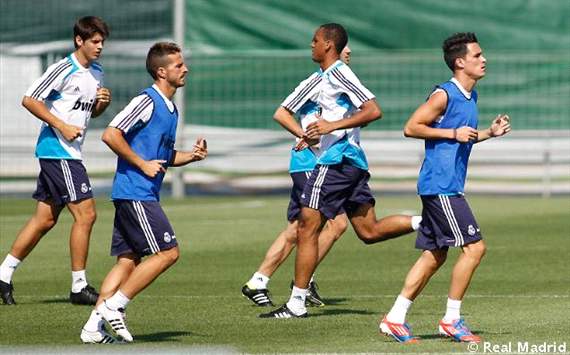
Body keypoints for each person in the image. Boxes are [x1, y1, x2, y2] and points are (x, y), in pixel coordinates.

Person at [260, 24, 421, 319]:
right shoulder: (324, 77)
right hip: (351, 164)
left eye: (316, 40)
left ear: (329, 46)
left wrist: (330, 127)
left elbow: (373, 110)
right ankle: (426, 222)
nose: (311, 45)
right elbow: (288, 113)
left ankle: (296, 303)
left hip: (336, 162)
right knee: (368, 230)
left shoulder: (339, 73)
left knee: (308, 226)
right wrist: (309, 134)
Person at [379, 32, 511, 343]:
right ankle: (452, 319)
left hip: (443, 186)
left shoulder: (471, 97)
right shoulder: (445, 94)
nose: (484, 59)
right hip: (441, 187)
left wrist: (489, 133)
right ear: (460, 62)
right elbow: (411, 127)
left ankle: (395, 318)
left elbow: (465, 135)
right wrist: (452, 133)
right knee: (475, 248)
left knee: (434, 255)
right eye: (477, 56)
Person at [80, 42, 207, 343]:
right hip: (135, 192)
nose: (185, 68)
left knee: (127, 261)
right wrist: (140, 163)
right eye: (178, 65)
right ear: (161, 71)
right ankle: (115, 306)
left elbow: (162, 155)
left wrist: (191, 156)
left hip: (138, 192)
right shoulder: (146, 101)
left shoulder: (170, 108)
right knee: (168, 253)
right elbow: (111, 133)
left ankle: (91, 329)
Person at [0, 16, 111, 306]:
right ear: (79, 40)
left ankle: (3, 274)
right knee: (86, 215)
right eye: (95, 41)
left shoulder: (97, 72)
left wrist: (100, 105)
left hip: (69, 153)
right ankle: (78, 286)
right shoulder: (63, 68)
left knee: (45, 219)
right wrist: (61, 126)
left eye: (102, 42)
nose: (100, 47)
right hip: (58, 151)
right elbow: (30, 99)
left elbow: (89, 114)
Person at [242, 46, 353, 308]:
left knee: (297, 228)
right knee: (335, 224)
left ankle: (258, 281)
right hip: (309, 163)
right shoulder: (318, 80)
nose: (348, 52)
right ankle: (304, 282)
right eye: (344, 46)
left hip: (320, 163)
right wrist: (305, 135)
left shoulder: (342, 81)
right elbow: (281, 112)